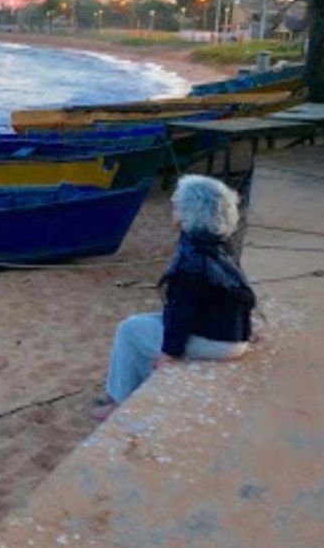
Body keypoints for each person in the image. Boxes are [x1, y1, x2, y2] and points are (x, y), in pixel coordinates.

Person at [91, 174, 256, 422]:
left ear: (191, 212)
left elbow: (182, 310)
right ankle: (123, 391)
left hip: (217, 343)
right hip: (232, 336)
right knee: (143, 322)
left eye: (177, 205)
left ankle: (119, 402)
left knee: (129, 329)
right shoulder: (219, 244)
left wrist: (170, 352)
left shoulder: (192, 257)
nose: (173, 207)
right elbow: (242, 295)